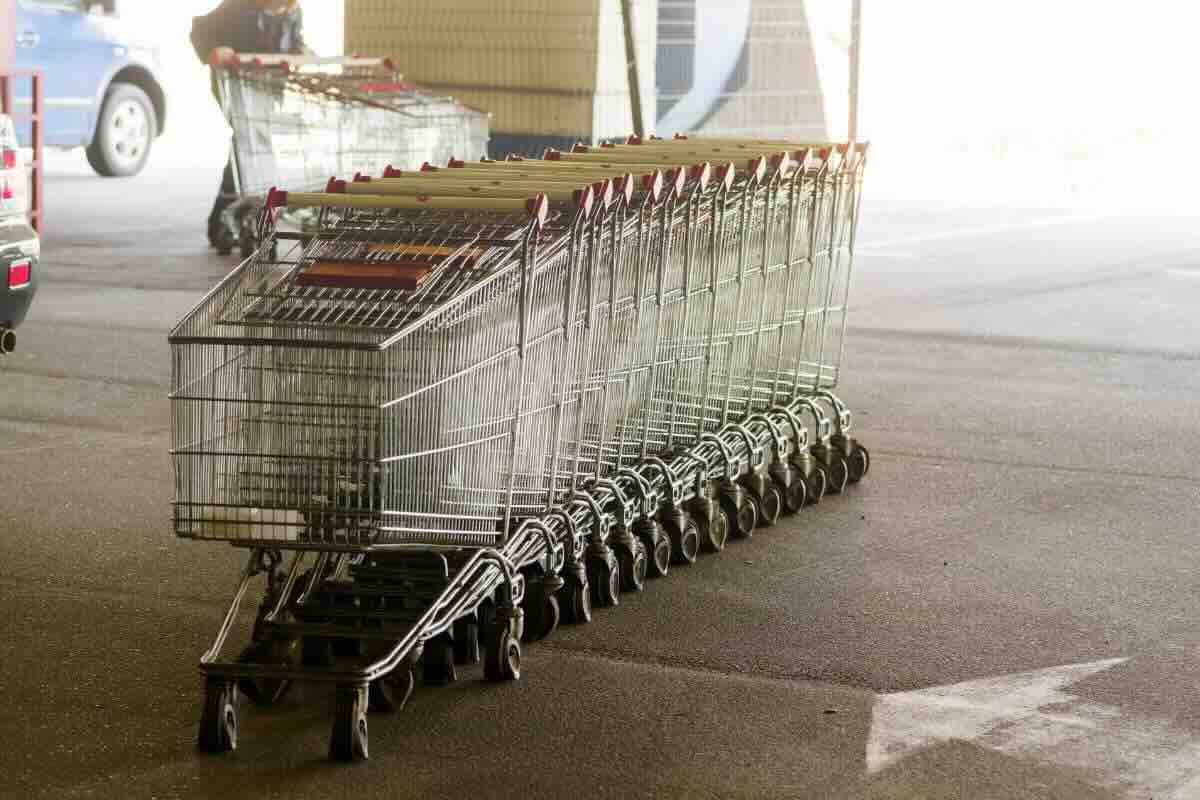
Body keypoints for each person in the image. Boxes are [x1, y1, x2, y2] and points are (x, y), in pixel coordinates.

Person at [190, 0, 308, 248]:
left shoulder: (293, 12)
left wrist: (301, 54)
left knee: (248, 148)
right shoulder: (237, 6)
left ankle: (227, 221)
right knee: (248, 145)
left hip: (268, 88)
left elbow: (294, 42)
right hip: (236, 88)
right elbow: (200, 28)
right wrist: (214, 49)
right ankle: (233, 219)